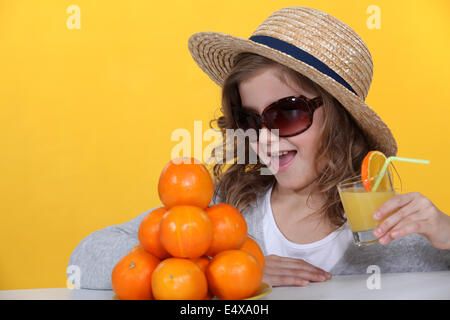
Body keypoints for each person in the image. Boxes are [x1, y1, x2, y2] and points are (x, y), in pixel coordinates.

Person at [68, 6, 450, 290]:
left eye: (287, 112)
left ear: (340, 120)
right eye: (250, 120)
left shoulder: (390, 227)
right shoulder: (225, 211)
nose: (265, 138)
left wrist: (447, 233)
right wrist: (222, 267)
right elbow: (85, 258)